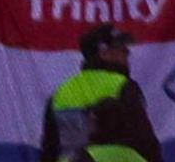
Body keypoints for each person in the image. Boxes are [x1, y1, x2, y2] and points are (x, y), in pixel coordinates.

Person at [46, 27, 161, 162]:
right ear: (104, 53)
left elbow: (50, 149)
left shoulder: (60, 93)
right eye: (122, 49)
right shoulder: (122, 86)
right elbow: (145, 140)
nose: (127, 53)